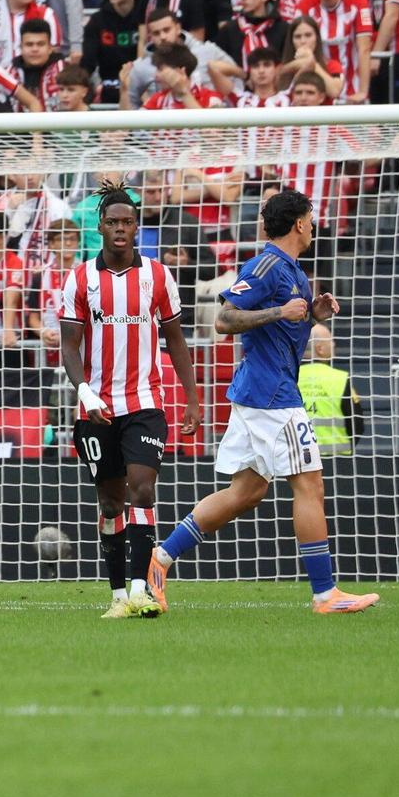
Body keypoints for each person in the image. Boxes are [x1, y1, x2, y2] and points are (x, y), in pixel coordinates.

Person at [143, 188, 381, 615]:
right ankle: (325, 594)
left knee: (247, 491)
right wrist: (280, 313)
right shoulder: (267, 265)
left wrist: (312, 315)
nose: (314, 225)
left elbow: (288, 329)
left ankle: (160, 559)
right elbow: (224, 319)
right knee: (310, 484)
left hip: (261, 392)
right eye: (310, 217)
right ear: (299, 223)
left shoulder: (297, 274)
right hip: (272, 398)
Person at [59, 185, 202, 621]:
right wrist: (83, 391)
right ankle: (118, 593)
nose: (120, 229)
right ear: (100, 227)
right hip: (96, 407)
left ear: (136, 227)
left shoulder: (158, 276)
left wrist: (192, 399)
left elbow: (176, 340)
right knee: (110, 504)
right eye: (113, 222)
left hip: (145, 402)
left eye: (127, 222)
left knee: (143, 487)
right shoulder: (80, 278)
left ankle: (142, 590)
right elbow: (69, 344)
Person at [297, 324, 356, 457]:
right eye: (330, 340)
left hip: (298, 462)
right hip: (338, 461)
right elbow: (356, 423)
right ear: (320, 349)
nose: (334, 344)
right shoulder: (339, 378)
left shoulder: (288, 378)